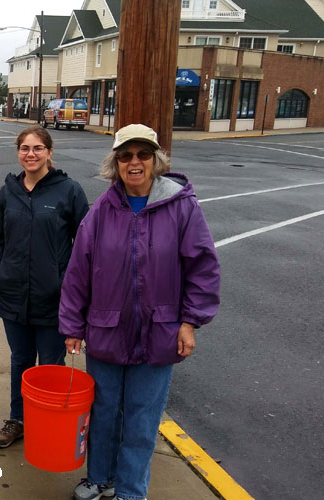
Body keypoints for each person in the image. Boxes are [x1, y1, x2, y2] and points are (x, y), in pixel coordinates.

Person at [59, 124, 220, 500]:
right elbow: (78, 272)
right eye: (126, 156)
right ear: (115, 163)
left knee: (142, 421)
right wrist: (72, 327)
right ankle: (100, 478)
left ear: (156, 160)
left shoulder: (181, 207)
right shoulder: (101, 210)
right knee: (104, 413)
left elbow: (203, 267)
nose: (135, 162)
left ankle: (131, 491)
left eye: (143, 154)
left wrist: (190, 322)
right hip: (106, 329)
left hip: (160, 332)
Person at [0, 125, 89, 448]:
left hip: (53, 299)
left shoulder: (69, 191)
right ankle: (17, 420)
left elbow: (85, 244)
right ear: (18, 153)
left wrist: (68, 284)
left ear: (49, 152)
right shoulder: (9, 192)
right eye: (25, 149)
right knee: (20, 360)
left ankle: (46, 422)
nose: (30, 155)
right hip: (14, 295)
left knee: (49, 365)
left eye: (37, 149)